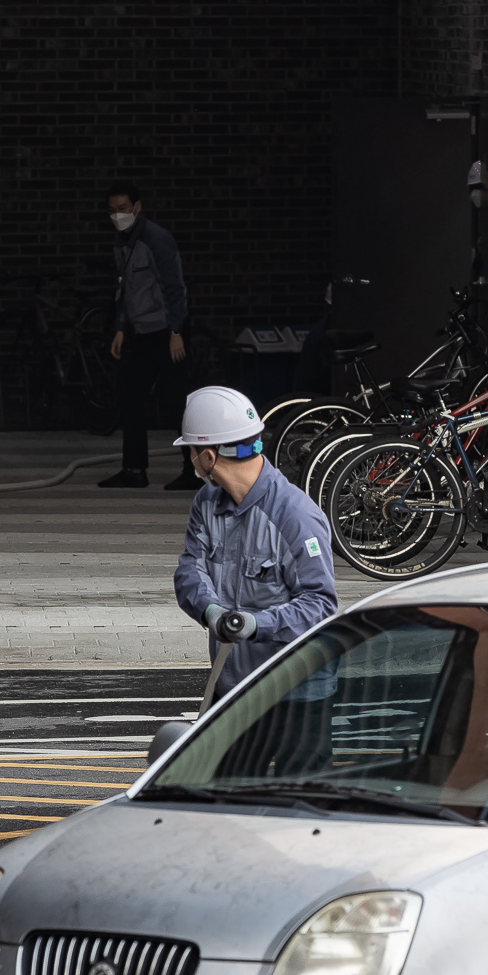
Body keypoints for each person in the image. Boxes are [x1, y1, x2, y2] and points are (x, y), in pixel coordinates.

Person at [172, 385, 338, 694]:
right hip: (231, 689)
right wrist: (212, 612)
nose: (191, 460)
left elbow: (321, 605)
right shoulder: (207, 502)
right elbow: (190, 569)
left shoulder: (295, 516)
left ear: (208, 457)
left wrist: (255, 625)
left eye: (191, 452)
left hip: (293, 696)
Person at [100, 182, 201, 490]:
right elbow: (124, 289)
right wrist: (120, 327)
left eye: (123, 209)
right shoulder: (123, 243)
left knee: (177, 403)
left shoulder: (156, 240)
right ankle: (133, 469)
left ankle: (194, 470)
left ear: (137, 207)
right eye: (113, 210)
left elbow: (174, 288)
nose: (118, 215)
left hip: (165, 332)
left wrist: (175, 331)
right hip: (140, 332)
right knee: (131, 399)